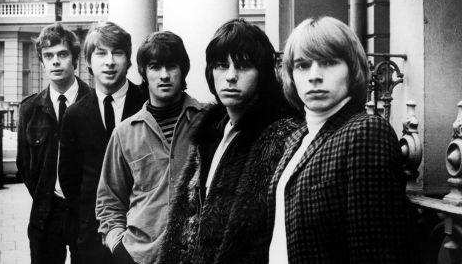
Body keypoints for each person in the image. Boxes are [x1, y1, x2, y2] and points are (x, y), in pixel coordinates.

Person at [268, 16, 419, 264]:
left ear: (352, 70)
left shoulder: (365, 132)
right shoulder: (296, 138)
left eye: (328, 62)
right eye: (303, 65)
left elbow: (375, 252)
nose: (314, 76)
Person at [157, 19, 299, 264]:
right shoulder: (211, 134)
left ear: (263, 74)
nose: (231, 76)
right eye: (222, 65)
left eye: (243, 66)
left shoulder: (282, 136)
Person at [95, 31, 203, 264]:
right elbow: (108, 202)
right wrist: (121, 252)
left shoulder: (207, 121)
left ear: (183, 69)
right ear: (143, 72)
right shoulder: (124, 133)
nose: (164, 75)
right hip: (141, 256)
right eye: (155, 67)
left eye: (171, 66)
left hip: (196, 255)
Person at [59, 21, 149, 264]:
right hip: (91, 238)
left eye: (117, 52)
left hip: (143, 236)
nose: (109, 61)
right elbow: (69, 178)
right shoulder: (75, 114)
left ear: (129, 61)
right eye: (101, 53)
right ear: (88, 61)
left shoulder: (147, 103)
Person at [16, 22, 91, 264]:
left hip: (86, 214)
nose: (55, 61)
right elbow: (26, 166)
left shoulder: (94, 103)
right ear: (42, 62)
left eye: (62, 54)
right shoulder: (30, 109)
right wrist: (46, 195)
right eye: (48, 56)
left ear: (75, 59)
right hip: (46, 214)